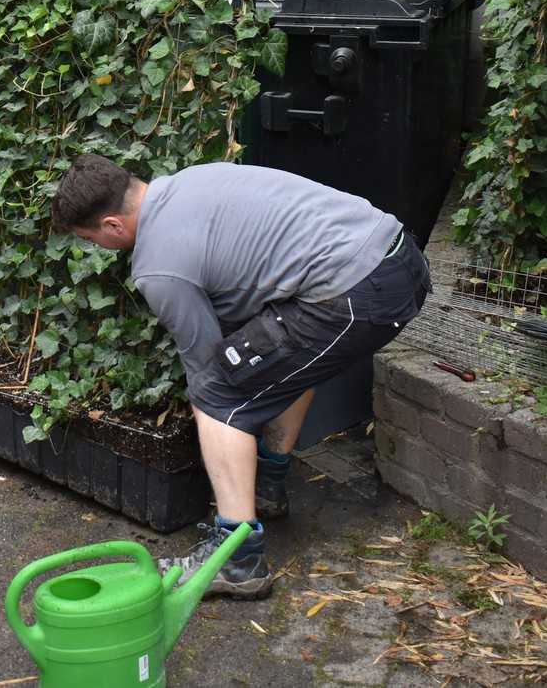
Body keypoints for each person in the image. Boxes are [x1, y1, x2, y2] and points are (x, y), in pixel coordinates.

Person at [52, 154, 431, 600]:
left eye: (91, 238)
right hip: (398, 253)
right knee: (278, 360)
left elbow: (205, 362)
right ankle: (267, 485)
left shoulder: (159, 266)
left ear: (114, 226)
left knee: (218, 395)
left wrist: (215, 409)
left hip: (358, 291)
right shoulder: (192, 179)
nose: (97, 248)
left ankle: (237, 559)